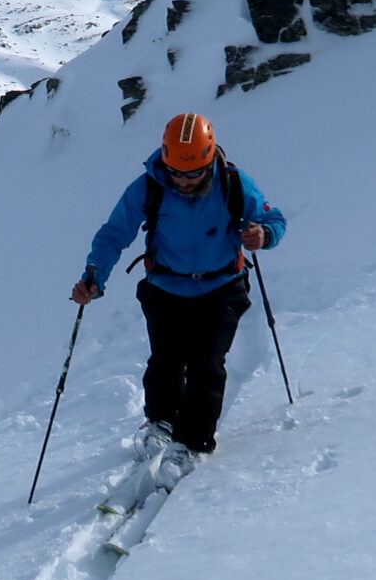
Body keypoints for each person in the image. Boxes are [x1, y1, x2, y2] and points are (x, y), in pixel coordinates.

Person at [71, 112, 287, 456]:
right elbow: (114, 234)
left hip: (223, 288)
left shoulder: (233, 183)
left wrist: (264, 234)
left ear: (209, 159)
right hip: (165, 288)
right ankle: (161, 423)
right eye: (176, 172)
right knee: (166, 361)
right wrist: (94, 277)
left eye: (193, 173)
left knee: (206, 364)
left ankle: (192, 443)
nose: (183, 181)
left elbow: (273, 219)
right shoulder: (149, 186)